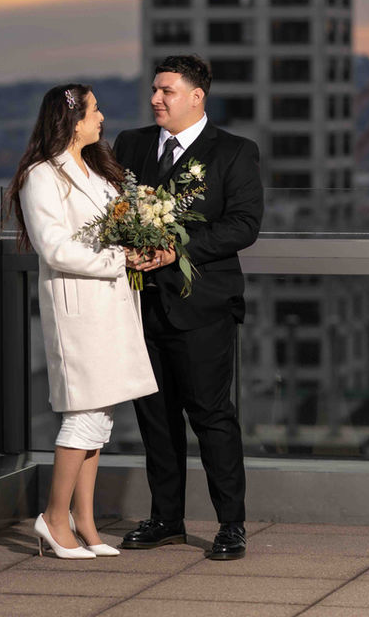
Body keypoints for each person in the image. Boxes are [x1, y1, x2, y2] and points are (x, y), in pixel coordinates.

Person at [113, 54, 263, 561]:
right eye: (155, 90)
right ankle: (166, 520)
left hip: (202, 308)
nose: (155, 99)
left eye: (167, 91)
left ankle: (231, 525)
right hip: (140, 305)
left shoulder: (235, 152)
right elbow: (112, 208)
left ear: (197, 97)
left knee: (211, 416)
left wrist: (176, 249)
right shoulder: (130, 144)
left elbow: (244, 224)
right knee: (155, 418)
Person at [6, 84, 158, 560]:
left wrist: (138, 245)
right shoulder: (41, 175)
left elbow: (115, 226)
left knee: (100, 415)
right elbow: (54, 248)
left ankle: (85, 523)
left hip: (111, 306)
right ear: (72, 120)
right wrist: (118, 258)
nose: (102, 117)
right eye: (94, 110)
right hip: (79, 310)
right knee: (83, 415)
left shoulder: (96, 169)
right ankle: (54, 519)